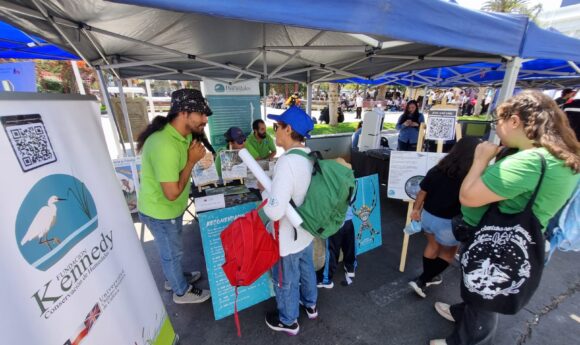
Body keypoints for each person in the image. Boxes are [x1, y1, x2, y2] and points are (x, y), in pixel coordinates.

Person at [430, 91, 580, 345]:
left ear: (515, 121)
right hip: (518, 237)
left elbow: (468, 197)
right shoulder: (558, 157)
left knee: (486, 297)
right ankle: (462, 313)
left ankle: (468, 339)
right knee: (482, 292)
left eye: (497, 123)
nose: (496, 130)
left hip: (498, 241)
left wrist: (480, 160)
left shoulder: (530, 162)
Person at [136, 89, 212, 304]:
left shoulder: (182, 136)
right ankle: (180, 291)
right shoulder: (164, 144)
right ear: (184, 113)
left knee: (175, 251)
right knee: (171, 254)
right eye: (201, 114)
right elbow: (171, 193)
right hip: (160, 211)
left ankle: (175, 277)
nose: (205, 119)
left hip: (172, 209)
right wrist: (191, 161)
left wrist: (198, 159)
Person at [260, 106, 317, 336]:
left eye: (277, 127)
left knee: (285, 278)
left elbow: (274, 212)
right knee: (306, 269)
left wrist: (266, 191)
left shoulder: (287, 162)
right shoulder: (310, 156)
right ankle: (311, 305)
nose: (275, 132)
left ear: (289, 129)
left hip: (287, 236)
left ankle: (288, 320)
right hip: (306, 229)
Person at [408, 137, 481, 298]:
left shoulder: (438, 168)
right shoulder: (470, 176)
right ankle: (423, 280)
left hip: (427, 216)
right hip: (449, 222)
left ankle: (429, 276)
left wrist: (415, 210)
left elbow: (422, 192)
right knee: (448, 253)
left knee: (432, 245)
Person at [316, 203, 357, 289]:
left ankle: (326, 279)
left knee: (332, 252)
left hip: (335, 222)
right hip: (348, 219)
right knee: (349, 247)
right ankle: (350, 268)